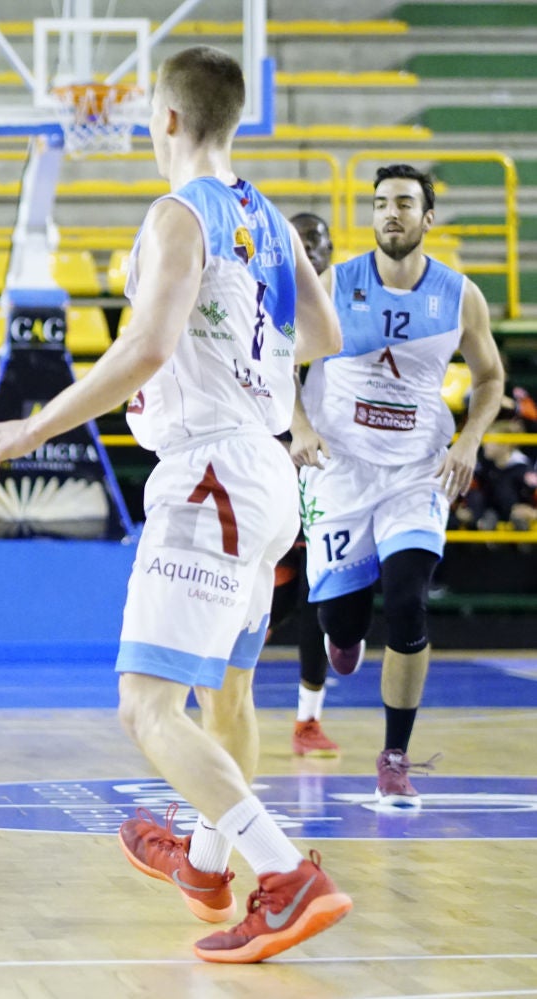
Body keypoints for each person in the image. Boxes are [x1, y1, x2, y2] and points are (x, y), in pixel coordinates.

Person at [0, 46, 352, 963]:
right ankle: (209, 861)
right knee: (223, 693)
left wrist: (30, 429)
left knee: (146, 705)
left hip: (212, 472)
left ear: (170, 120)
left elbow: (144, 351)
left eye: (147, 114)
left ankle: (285, 874)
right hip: (268, 478)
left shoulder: (179, 214)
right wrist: (244, 349)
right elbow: (326, 333)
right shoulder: (269, 216)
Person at [291, 164, 504, 808]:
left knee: (409, 600)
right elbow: (280, 361)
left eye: (405, 204)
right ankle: (343, 633)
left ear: (427, 218)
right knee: (342, 625)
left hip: (417, 469)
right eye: (382, 203)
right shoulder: (336, 281)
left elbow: (491, 378)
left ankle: (393, 757)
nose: (391, 213)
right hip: (341, 469)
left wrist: (467, 440)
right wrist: (298, 426)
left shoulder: (460, 295)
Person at [279, 212, 334, 757]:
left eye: (320, 243)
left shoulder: (345, 305)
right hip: (271, 465)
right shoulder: (267, 298)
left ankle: (307, 721)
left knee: (321, 601)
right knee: (263, 599)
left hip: (330, 474)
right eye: (303, 241)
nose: (312, 251)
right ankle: (221, 701)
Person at [456, 419, 535, 531]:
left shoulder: (523, 469)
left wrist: (532, 512)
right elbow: (473, 491)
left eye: (490, 440)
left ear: (506, 445)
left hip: (517, 520)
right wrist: (467, 509)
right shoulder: (484, 468)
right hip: (489, 515)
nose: (485, 444)